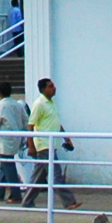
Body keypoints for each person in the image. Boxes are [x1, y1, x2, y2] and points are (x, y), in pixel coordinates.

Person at [22, 77, 80, 210]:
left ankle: (27, 201)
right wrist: (31, 146)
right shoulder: (39, 104)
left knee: (38, 176)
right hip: (44, 145)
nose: (54, 88)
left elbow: (56, 123)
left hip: (50, 144)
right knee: (56, 175)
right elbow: (30, 125)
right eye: (50, 86)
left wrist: (66, 138)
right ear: (43, 89)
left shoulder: (51, 103)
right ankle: (69, 202)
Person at [0, 81, 27, 202]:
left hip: (4, 140)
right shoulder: (17, 105)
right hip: (16, 139)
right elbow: (26, 120)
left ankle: (16, 194)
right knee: (4, 166)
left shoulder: (2, 105)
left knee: (8, 167)